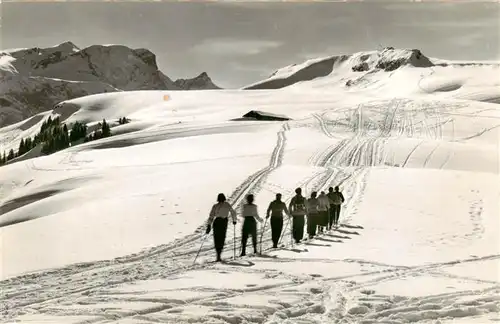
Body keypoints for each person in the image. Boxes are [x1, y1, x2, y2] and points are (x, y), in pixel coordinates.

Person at [206, 193, 237, 262]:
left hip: (217, 222)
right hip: (223, 222)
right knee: (222, 238)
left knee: (216, 238)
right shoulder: (227, 205)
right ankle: (219, 255)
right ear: (224, 198)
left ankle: (218, 255)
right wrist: (234, 220)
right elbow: (233, 212)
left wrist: (209, 225)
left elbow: (211, 216)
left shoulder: (215, 206)